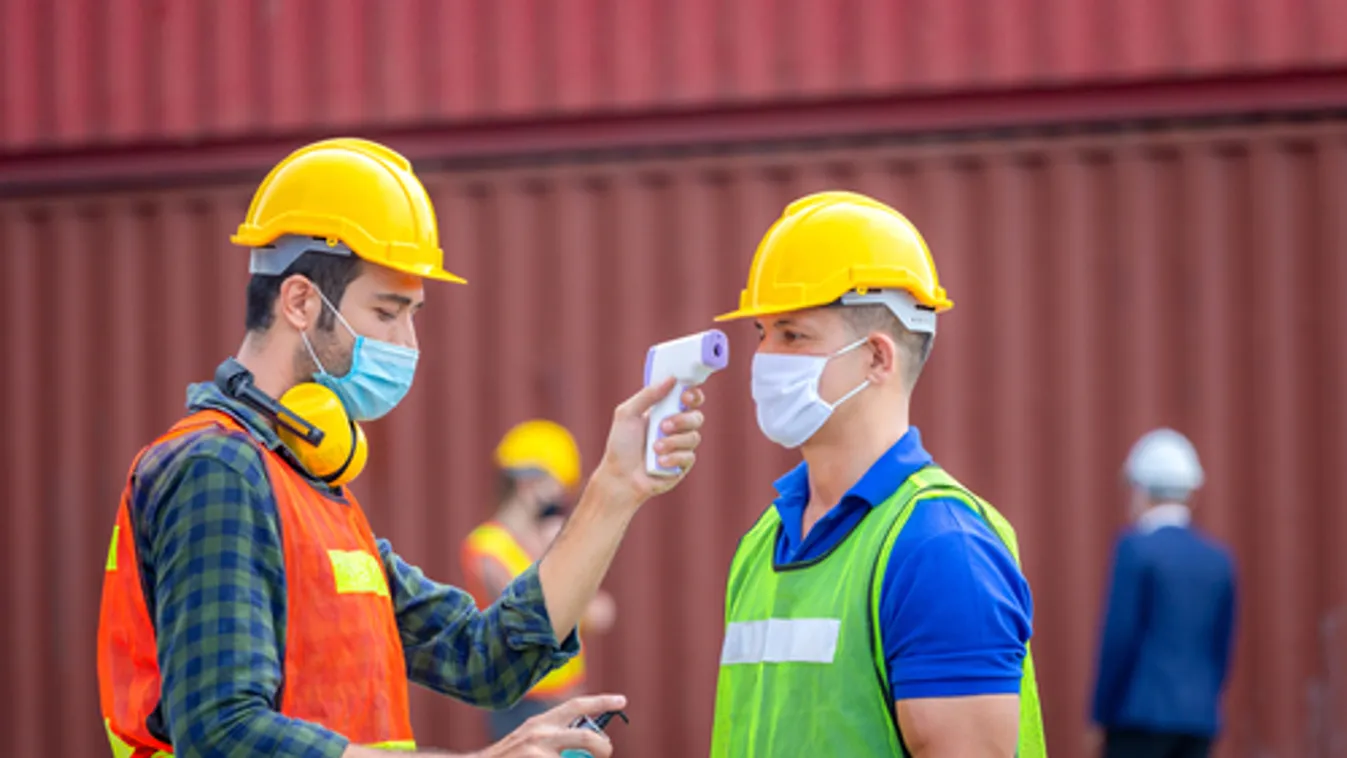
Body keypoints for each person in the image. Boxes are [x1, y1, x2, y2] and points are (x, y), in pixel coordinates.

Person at [95, 137, 707, 758]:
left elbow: (485, 658)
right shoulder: (216, 470)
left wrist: (614, 489)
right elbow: (222, 732)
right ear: (300, 301)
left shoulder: (310, 488)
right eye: (388, 313)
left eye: (413, 314)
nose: (408, 343)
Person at [707, 190, 1046, 757]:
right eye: (761, 333)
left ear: (877, 358)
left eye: (792, 334)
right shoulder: (763, 542)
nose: (764, 357)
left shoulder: (940, 548)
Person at [461, 420, 618, 741]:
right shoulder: (488, 546)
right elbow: (534, 615)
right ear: (529, 482)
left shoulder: (548, 542)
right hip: (521, 703)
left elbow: (602, 613)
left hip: (565, 695)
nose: (561, 496)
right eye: (557, 485)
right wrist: (556, 555)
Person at [1091, 429, 1237, 758]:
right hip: (1198, 722)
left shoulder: (1135, 550)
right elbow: (1222, 646)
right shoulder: (1218, 559)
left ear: (1140, 490)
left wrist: (1100, 713)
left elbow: (1119, 638)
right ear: (1191, 493)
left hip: (1137, 718)